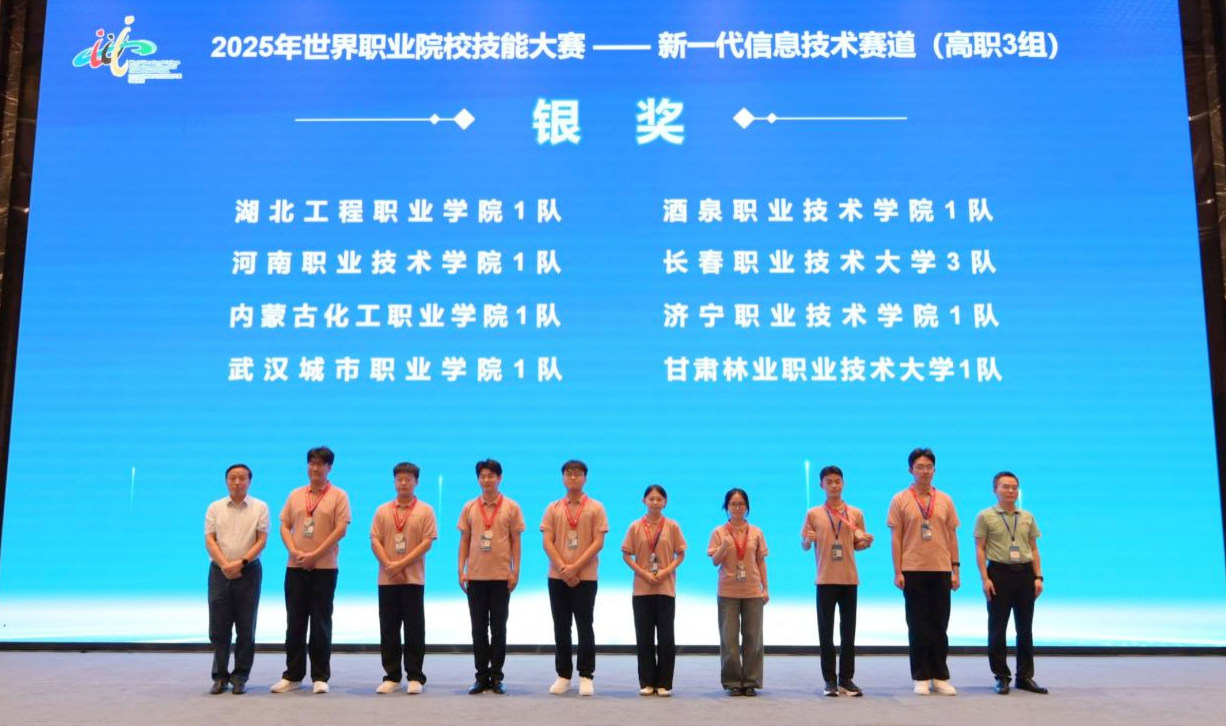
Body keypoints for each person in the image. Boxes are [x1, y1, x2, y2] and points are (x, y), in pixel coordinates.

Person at [272, 446, 352, 694]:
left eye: (320, 464)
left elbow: (341, 530)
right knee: (295, 622)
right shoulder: (296, 494)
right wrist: (294, 550)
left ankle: (320, 676)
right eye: (311, 463)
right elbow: (284, 525)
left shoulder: (339, 495)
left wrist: (315, 555)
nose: (315, 468)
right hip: (295, 567)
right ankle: (293, 675)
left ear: (329, 468)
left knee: (320, 623)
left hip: (324, 568)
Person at [887, 448, 960, 696]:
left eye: (929, 467)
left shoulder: (946, 500)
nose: (925, 471)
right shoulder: (900, 499)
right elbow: (896, 537)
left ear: (934, 470)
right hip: (913, 569)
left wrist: (955, 569)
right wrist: (898, 570)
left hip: (941, 568)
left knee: (940, 624)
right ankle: (920, 676)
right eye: (920, 467)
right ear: (911, 470)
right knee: (918, 625)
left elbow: (952, 535)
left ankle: (940, 676)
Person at [802, 465, 873, 697]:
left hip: (849, 578)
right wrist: (807, 540)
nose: (834, 485)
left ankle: (847, 679)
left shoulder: (856, 513)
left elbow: (857, 544)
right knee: (826, 633)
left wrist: (865, 543)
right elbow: (804, 545)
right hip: (824, 579)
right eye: (829, 481)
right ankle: (830, 681)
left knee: (848, 632)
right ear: (821, 485)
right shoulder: (814, 514)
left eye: (837, 481)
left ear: (843, 483)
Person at [974, 471, 1047, 695]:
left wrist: (1038, 576)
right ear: (995, 490)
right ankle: (1001, 676)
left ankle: (1024, 676)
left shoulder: (1027, 517)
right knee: (998, 628)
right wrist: (985, 579)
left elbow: (1034, 548)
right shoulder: (985, 516)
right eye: (1005, 486)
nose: (1011, 491)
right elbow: (980, 549)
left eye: (1014, 487)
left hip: (1025, 575)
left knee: (1025, 628)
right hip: (999, 574)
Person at [458, 458, 525, 694]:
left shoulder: (511, 507)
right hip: (475, 577)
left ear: (500, 478)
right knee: (478, 629)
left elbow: (516, 542)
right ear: (478, 479)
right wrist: (461, 569)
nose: (486, 480)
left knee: (498, 628)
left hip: (500, 577)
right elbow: (464, 540)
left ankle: (496, 676)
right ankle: (480, 676)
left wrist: (515, 571)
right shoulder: (469, 507)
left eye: (491, 476)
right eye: (483, 476)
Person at [542, 460, 609, 696]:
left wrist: (575, 568)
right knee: (561, 626)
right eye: (568, 473)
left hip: (586, 577)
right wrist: (563, 568)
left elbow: (598, 542)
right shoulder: (553, 508)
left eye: (578, 474)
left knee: (584, 625)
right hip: (557, 577)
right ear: (562, 478)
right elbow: (547, 542)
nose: (573, 477)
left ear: (585, 478)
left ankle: (586, 675)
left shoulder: (596, 507)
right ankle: (563, 675)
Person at [371, 462, 437, 694]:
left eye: (408, 479)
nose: (403, 483)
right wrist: (389, 565)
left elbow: (426, 543)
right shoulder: (382, 510)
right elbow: (375, 541)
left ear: (416, 482)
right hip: (387, 579)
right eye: (399, 479)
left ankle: (415, 676)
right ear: (394, 482)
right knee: (388, 628)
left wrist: (400, 564)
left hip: (413, 579)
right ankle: (391, 676)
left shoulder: (425, 510)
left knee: (414, 629)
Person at [204, 463, 269, 695]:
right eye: (233, 478)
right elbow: (210, 540)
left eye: (242, 478)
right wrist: (225, 565)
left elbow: (261, 540)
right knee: (219, 628)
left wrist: (241, 563)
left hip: (248, 571)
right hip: (219, 571)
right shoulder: (215, 507)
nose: (237, 482)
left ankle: (240, 676)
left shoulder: (260, 507)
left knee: (246, 627)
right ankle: (220, 676)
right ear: (226, 481)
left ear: (249, 481)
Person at [621, 484, 686, 697]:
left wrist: (665, 572)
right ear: (644, 501)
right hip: (642, 589)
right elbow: (626, 555)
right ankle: (647, 681)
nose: (655, 502)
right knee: (644, 637)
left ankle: (665, 682)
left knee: (666, 637)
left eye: (659, 499)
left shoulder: (672, 526)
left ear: (665, 502)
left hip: (666, 588)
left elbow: (681, 554)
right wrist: (644, 573)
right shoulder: (635, 526)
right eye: (651, 499)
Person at [707, 488, 769, 697]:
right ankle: (733, 682)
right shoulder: (719, 532)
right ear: (726, 507)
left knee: (753, 638)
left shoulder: (756, 532)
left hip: (752, 591)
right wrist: (724, 546)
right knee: (729, 639)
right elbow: (715, 561)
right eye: (733, 504)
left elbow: (761, 561)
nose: (737, 507)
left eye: (741, 503)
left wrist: (766, 588)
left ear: (747, 507)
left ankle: (751, 681)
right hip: (728, 592)